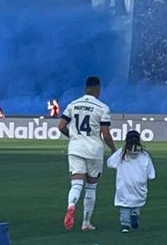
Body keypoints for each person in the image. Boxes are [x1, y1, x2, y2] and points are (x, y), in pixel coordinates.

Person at [58, 76, 116, 232]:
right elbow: (106, 134)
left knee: (76, 184)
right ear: (98, 89)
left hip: (75, 148)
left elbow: (61, 125)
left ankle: (71, 206)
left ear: (85, 89)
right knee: (91, 188)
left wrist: (73, 136)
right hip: (94, 150)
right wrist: (113, 149)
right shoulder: (102, 107)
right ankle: (86, 223)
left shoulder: (73, 104)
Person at [106, 130, 156, 234]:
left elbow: (109, 163)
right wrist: (149, 176)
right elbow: (151, 174)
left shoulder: (121, 153)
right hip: (139, 184)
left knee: (124, 205)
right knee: (137, 202)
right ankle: (135, 214)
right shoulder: (144, 155)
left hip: (124, 184)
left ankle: (125, 225)